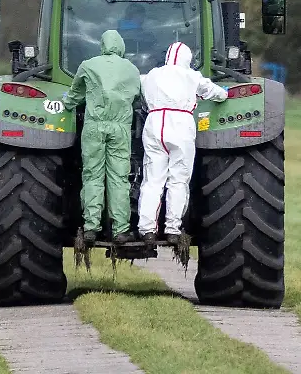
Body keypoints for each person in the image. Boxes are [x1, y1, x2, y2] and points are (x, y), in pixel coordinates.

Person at [137, 41, 228, 244]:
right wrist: (225, 94)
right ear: (188, 59)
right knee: (178, 180)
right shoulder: (192, 76)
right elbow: (216, 93)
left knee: (152, 180)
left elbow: (136, 87)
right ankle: (172, 229)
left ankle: (147, 229)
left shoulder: (151, 75)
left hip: (154, 123)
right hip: (181, 125)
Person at [62, 30, 142, 246]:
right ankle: (121, 230)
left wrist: (66, 104)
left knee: (92, 175)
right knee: (119, 178)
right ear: (121, 46)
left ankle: (90, 228)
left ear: (102, 45)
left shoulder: (88, 65)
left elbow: (75, 95)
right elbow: (138, 97)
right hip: (120, 129)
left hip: (94, 128)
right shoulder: (132, 69)